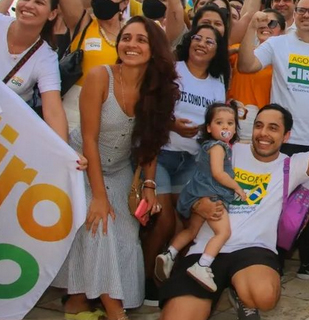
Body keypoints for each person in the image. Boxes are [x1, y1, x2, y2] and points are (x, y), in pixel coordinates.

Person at [160, 76, 309, 320]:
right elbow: (190, 192)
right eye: (259, 125)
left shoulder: (291, 166)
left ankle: (240, 294)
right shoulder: (226, 151)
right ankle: (223, 286)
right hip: (205, 250)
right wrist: (199, 203)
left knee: (264, 297)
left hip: (253, 250)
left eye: (273, 128)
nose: (264, 133)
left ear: (286, 136)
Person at [54, 16, 179, 320]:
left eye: (140, 40)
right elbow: (89, 139)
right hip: (82, 164)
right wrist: (99, 196)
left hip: (122, 167)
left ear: (154, 49)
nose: (131, 45)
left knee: (125, 231)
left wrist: (149, 186)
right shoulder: (100, 76)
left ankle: (79, 301)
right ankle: (115, 312)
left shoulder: (158, 89)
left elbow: (151, 143)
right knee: (100, 223)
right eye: (126, 38)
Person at [237, 0, 309, 284]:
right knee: (275, 204)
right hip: (281, 141)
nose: (307, 15)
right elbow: (246, 66)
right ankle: (272, 261)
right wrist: (250, 28)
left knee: (307, 209)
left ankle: (308, 262)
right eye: (302, 10)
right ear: (295, 15)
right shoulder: (277, 44)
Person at [143, 25, 228, 303]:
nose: (202, 44)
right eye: (197, 38)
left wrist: (207, 131)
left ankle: (171, 278)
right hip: (163, 156)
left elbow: (216, 123)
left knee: (188, 222)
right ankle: (147, 283)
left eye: (210, 41)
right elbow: (150, 111)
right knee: (163, 220)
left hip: (194, 160)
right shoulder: (172, 70)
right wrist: (173, 126)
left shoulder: (217, 83)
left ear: (217, 51)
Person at [156, 103, 247, 291]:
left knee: (192, 231)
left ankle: (169, 254)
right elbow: (218, 173)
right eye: (219, 122)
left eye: (230, 123)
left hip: (199, 193)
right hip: (212, 195)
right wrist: (237, 187)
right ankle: (203, 265)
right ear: (208, 127)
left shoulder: (208, 146)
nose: (225, 127)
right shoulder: (218, 148)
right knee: (223, 233)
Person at [54, 0, 127, 131]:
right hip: (71, 114)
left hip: (113, 117)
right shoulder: (83, 23)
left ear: (124, 3)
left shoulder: (131, 36)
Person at [0, 0, 68, 139]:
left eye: (39, 2)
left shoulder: (46, 57)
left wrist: (66, 154)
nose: (29, 5)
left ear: (52, 14)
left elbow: (53, 111)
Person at [229, 9, 285, 142]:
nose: (265, 26)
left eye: (271, 23)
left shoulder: (284, 61)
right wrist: (239, 49)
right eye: (261, 22)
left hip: (262, 130)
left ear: (282, 31)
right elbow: (214, 58)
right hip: (233, 128)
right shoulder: (241, 51)